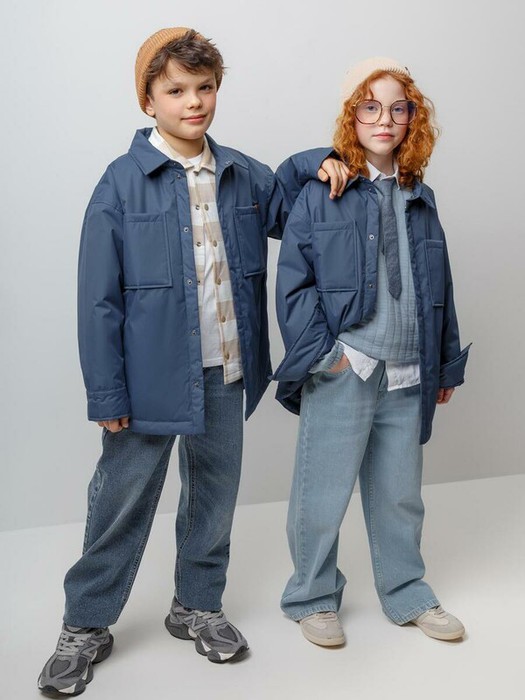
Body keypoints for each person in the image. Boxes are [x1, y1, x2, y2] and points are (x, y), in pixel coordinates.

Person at [37, 26, 348, 696]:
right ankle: (85, 624)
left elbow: (293, 207)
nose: (194, 102)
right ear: (147, 100)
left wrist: (322, 161)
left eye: (204, 88)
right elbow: (98, 302)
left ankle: (197, 606)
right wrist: (107, 394)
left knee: (214, 497)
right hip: (147, 381)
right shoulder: (120, 184)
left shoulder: (240, 174)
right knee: (121, 501)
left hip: (226, 370)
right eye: (176, 90)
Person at [274, 57, 470, 647]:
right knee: (321, 492)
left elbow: (440, 284)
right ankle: (311, 596)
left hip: (408, 368)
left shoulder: (421, 197)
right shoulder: (323, 192)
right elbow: (294, 284)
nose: (384, 119)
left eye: (397, 108)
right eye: (370, 106)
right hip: (348, 365)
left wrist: (444, 361)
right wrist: (326, 356)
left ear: (412, 119)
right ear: (351, 115)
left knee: (401, 495)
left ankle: (407, 591)